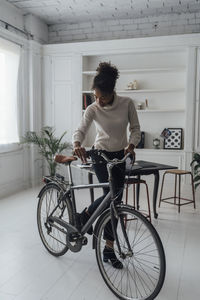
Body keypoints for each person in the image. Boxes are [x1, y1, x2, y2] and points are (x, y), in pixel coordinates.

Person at [73, 62, 141, 269]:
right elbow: (82, 129)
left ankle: (107, 246)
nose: (98, 101)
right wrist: (77, 143)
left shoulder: (127, 103)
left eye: (102, 97)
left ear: (112, 92)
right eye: (95, 96)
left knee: (115, 200)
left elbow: (136, 129)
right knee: (112, 196)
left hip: (120, 154)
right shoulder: (93, 107)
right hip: (100, 154)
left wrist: (131, 145)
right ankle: (88, 220)